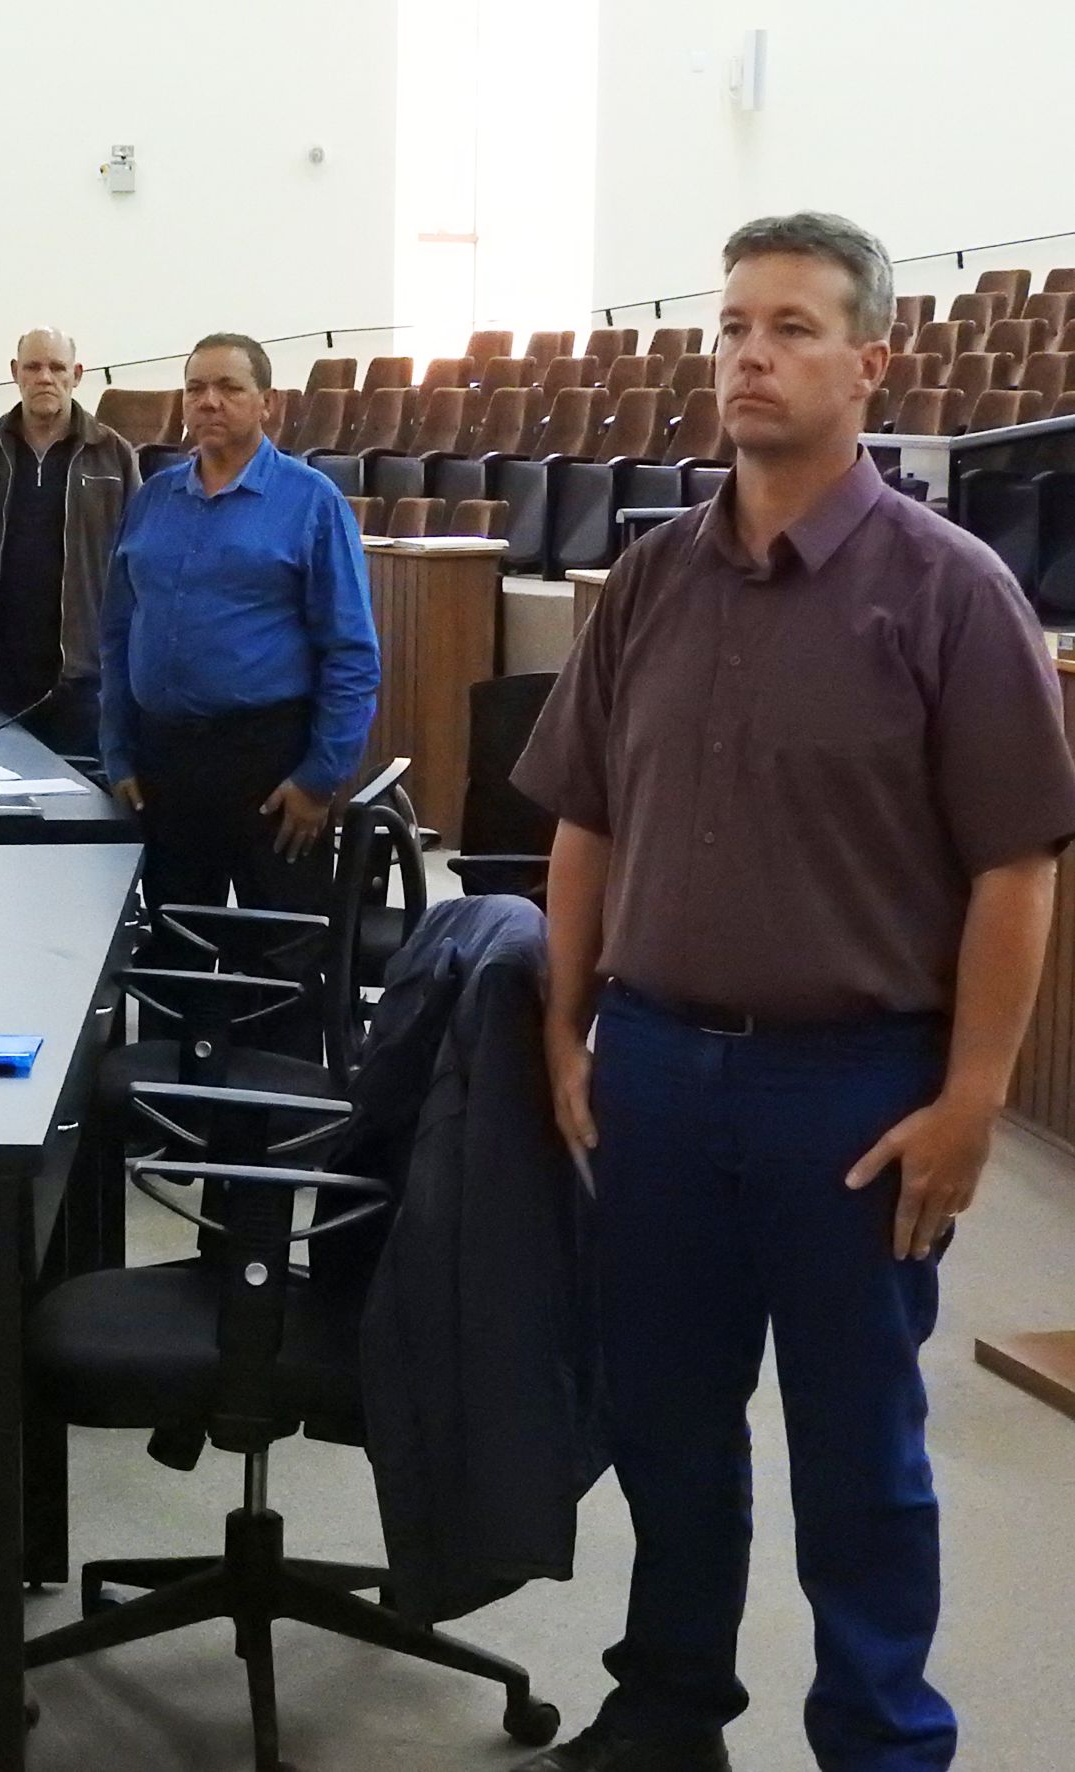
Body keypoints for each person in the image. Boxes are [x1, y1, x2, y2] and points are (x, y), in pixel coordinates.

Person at [510, 213, 1075, 1772]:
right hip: (653, 1070)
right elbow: (583, 823)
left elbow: (1015, 868)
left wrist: (970, 1102)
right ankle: (667, 1708)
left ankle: (878, 1743)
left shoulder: (950, 592)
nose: (749, 356)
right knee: (664, 1423)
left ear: (868, 363)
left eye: (791, 328)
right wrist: (564, 1025)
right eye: (733, 327)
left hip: (853, 1092)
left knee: (856, 1452)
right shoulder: (645, 581)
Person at [100, 331, 379, 937]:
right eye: (196, 388)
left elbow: (351, 653)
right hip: (165, 763)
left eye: (229, 387)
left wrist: (318, 779)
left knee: (280, 949)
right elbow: (118, 633)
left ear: (267, 403)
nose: (209, 401)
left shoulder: (312, 502)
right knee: (175, 945)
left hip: (270, 764)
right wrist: (117, 750)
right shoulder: (153, 500)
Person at [0, 326, 139, 758]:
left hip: (81, 676)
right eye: (33, 367)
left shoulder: (113, 455)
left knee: (78, 795)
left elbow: (139, 564)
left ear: (77, 374)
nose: (45, 377)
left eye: (57, 367)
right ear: (15, 372)